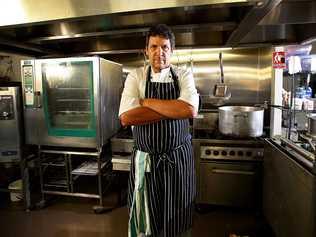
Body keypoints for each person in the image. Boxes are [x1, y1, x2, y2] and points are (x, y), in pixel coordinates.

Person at [119, 24, 199, 237]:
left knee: (179, 219)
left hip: (178, 160)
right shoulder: (136, 77)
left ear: (172, 50)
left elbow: (189, 109)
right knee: (146, 218)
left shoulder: (183, 75)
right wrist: (174, 108)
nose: (159, 52)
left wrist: (145, 102)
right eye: (154, 47)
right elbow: (126, 117)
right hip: (146, 162)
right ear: (146, 50)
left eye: (164, 47)